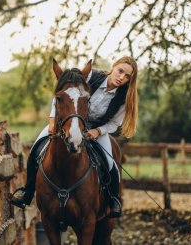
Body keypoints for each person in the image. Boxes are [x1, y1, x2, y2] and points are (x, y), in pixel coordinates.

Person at [10, 56, 138, 218]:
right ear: (113, 67)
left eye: (127, 76)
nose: (122, 77)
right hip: (68, 123)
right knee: (36, 149)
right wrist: (52, 120)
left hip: (95, 130)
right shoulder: (90, 76)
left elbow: (113, 124)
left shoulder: (123, 98)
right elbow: (63, 92)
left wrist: (97, 132)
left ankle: (113, 199)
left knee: (111, 163)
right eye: (120, 71)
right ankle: (27, 192)